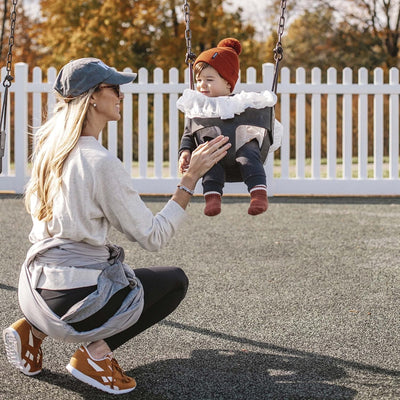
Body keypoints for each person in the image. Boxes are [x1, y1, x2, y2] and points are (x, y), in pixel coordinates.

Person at [2, 58, 230, 395]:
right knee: (173, 282)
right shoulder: (100, 162)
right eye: (115, 89)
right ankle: (95, 356)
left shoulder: (50, 152)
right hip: (73, 305)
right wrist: (190, 178)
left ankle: (31, 332)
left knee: (102, 268)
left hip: (32, 292)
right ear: (93, 96)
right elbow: (154, 236)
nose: (121, 95)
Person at [178, 38, 281, 217]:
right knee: (210, 164)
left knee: (249, 155)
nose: (202, 84)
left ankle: (258, 195)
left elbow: (261, 113)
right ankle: (212, 198)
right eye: (199, 79)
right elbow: (189, 133)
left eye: (209, 79)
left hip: (242, 145)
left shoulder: (241, 102)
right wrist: (185, 152)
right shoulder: (198, 106)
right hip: (214, 151)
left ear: (227, 82)